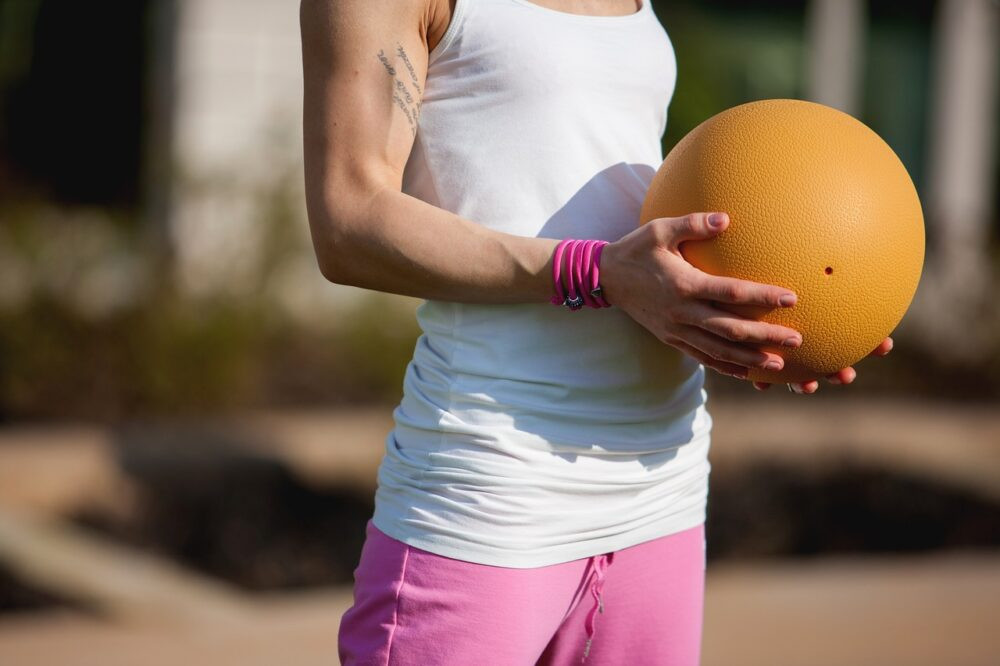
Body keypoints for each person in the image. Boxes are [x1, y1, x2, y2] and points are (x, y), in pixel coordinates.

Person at [299, 0, 892, 663]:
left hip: (661, 483)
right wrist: (596, 272)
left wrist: (761, 320)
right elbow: (348, 222)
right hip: (492, 486)